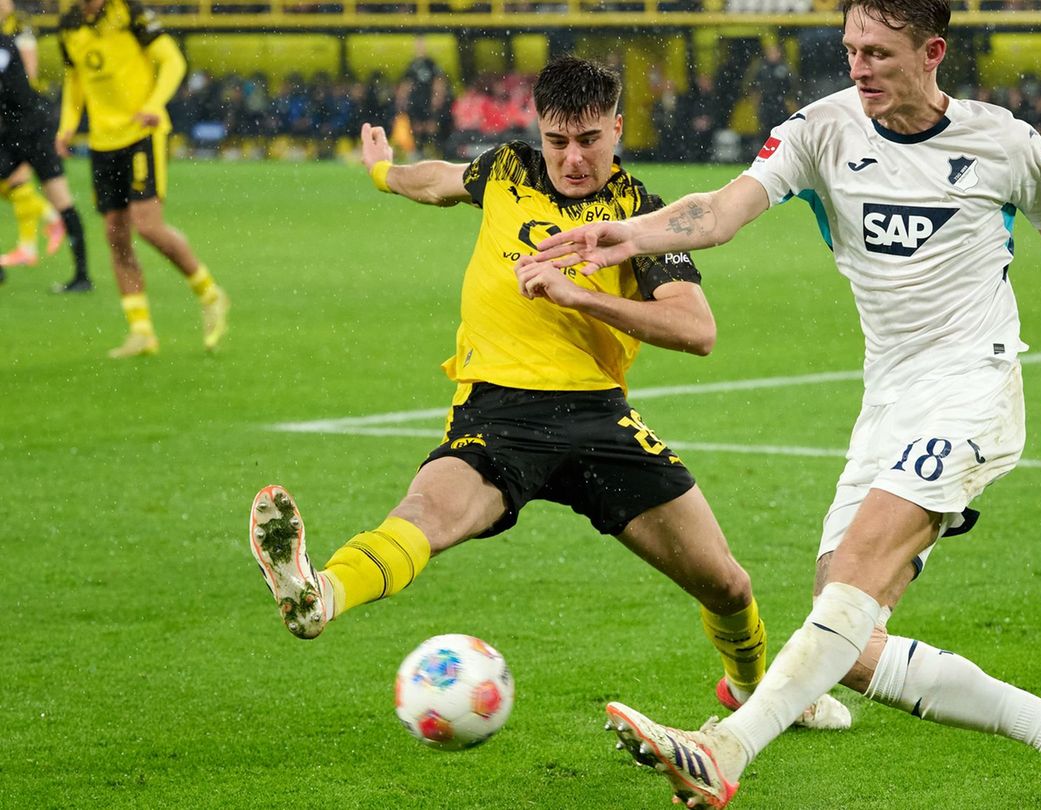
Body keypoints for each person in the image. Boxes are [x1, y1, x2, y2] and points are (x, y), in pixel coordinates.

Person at [524, 2, 1041, 808]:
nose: (859, 66)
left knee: (850, 585)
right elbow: (726, 207)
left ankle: (723, 750)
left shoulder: (1004, 142)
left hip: (972, 387)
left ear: (933, 53)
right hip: (888, 397)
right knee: (844, 642)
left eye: (878, 53)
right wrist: (630, 235)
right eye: (850, 49)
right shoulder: (821, 129)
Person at [247, 56, 847, 732]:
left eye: (588, 140)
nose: (571, 158)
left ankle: (753, 690)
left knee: (728, 585)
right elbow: (440, 180)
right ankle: (319, 595)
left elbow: (697, 328)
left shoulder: (639, 216)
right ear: (539, 132)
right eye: (557, 140)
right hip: (500, 411)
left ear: (617, 128)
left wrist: (580, 297)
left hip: (599, 418)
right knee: (424, 514)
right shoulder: (507, 171)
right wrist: (385, 172)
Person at [56, 0, 229, 357]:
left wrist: (154, 104)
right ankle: (141, 332)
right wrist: (68, 125)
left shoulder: (130, 13)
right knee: (115, 234)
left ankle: (210, 294)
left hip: (141, 135)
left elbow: (173, 60)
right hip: (103, 143)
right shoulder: (70, 26)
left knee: (147, 225)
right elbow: (75, 80)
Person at [0, 0, 86, 292]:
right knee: (15, 186)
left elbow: (25, 77)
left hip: (34, 128)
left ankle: (81, 275)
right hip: (10, 129)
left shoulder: (16, 31)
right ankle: (35, 237)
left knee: (60, 197)